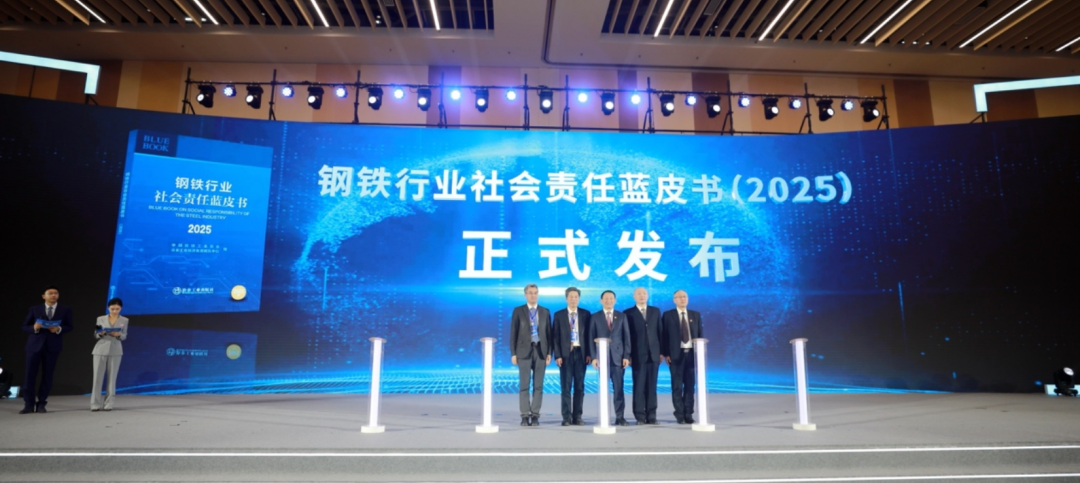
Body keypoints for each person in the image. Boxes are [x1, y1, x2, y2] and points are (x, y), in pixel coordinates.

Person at [21, 286, 73, 414]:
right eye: (50, 293)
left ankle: (41, 403)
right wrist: (35, 327)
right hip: (34, 346)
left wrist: (59, 329)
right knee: (29, 375)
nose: (53, 295)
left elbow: (69, 326)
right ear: (44, 296)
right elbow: (24, 326)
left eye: (56, 293)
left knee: (47, 376)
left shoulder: (65, 309)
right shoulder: (34, 309)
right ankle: (28, 404)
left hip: (52, 346)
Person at [509, 283, 552, 426]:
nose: (533, 295)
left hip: (541, 351)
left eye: (535, 292)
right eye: (530, 293)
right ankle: (524, 415)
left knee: (538, 386)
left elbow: (549, 334)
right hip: (523, 351)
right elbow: (513, 333)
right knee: (524, 385)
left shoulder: (545, 311)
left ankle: (535, 415)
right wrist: (513, 353)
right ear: (525, 295)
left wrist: (549, 353)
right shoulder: (518, 311)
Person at [661, 290, 703, 424]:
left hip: (691, 355)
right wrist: (666, 353)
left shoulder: (695, 315)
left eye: (684, 296)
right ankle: (679, 414)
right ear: (674, 300)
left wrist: (699, 353)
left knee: (690, 386)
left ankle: (688, 413)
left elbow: (700, 335)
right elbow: (664, 336)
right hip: (675, 355)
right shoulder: (668, 315)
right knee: (677, 386)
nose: (682, 299)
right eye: (679, 297)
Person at [552, 287, 592, 426]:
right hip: (565, 355)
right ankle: (566, 417)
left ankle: (578, 416)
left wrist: (589, 354)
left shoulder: (586, 314)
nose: (573, 299)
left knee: (580, 387)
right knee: (566, 387)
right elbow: (555, 337)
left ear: (579, 298)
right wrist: (557, 355)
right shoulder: (559, 315)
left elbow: (589, 336)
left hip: (581, 354)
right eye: (571, 297)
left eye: (576, 297)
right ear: (566, 298)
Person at [590, 290, 631, 426]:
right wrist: (594, 357)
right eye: (606, 298)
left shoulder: (622, 316)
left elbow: (626, 338)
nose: (609, 301)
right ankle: (604, 416)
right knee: (603, 389)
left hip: (618, 359)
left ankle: (620, 417)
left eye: (611, 298)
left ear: (615, 300)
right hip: (601, 359)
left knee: (619, 389)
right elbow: (590, 338)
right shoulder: (595, 317)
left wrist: (626, 356)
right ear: (601, 301)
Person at [625, 287, 662, 425]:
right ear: (634, 296)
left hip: (654, 354)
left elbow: (660, 332)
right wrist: (628, 355)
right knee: (639, 386)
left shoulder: (655, 311)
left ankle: (652, 415)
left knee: (652, 386)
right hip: (637, 355)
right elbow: (627, 336)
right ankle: (640, 416)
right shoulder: (628, 313)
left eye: (644, 293)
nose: (642, 295)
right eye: (639, 294)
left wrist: (661, 352)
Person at [91, 298, 128, 411]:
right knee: (97, 377)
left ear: (121, 308)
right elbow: (96, 334)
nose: (115, 311)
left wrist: (118, 335)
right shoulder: (100, 319)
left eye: (117, 309)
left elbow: (124, 335)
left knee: (112, 378)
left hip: (116, 350)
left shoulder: (124, 320)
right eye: (112, 309)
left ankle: (109, 404)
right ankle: (95, 404)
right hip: (100, 349)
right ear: (108, 308)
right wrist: (101, 333)